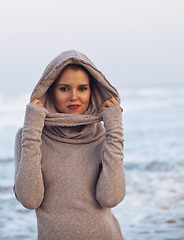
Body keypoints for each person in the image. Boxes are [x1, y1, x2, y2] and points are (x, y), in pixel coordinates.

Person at [14, 50, 126, 240]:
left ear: (92, 91)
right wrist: (32, 131)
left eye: (82, 88)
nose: (74, 96)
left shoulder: (105, 136)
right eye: (64, 88)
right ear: (50, 90)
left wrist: (115, 131)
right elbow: (30, 199)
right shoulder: (29, 136)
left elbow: (110, 198)